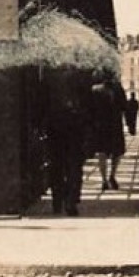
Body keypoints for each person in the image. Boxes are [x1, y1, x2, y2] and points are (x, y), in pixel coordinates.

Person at [39, 68, 88, 215]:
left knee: (56, 165)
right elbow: (87, 105)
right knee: (74, 166)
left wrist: (42, 125)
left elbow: (41, 104)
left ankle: (57, 200)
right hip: (75, 128)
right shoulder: (80, 76)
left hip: (54, 128)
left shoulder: (48, 77)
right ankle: (71, 201)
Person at [87, 74, 128, 191]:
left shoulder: (95, 90)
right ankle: (111, 176)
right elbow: (124, 106)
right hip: (115, 124)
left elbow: (90, 110)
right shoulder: (118, 89)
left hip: (101, 126)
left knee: (102, 153)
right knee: (117, 153)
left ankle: (104, 179)